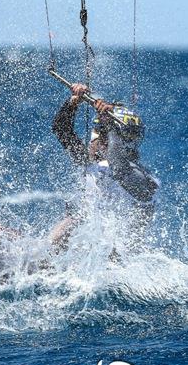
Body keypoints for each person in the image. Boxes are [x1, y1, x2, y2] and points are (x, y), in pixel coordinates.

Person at [49, 82, 159, 253]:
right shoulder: (91, 164)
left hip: (120, 262)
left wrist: (108, 123)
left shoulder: (141, 179)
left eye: (97, 135)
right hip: (86, 255)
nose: (91, 142)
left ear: (105, 140)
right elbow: (61, 129)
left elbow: (118, 167)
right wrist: (72, 103)